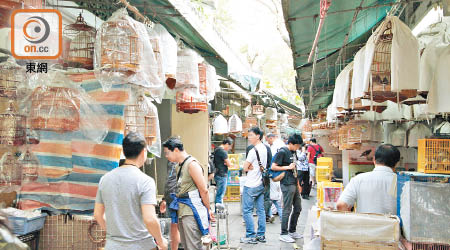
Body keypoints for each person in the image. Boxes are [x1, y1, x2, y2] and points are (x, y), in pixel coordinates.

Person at [94, 132, 168, 250]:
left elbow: (98, 214)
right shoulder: (145, 181)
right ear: (144, 152)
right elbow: (149, 218)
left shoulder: (105, 179)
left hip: (113, 246)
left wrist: (115, 235)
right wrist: (161, 241)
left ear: (123, 152)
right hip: (141, 246)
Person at [163, 137, 214, 250]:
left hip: (192, 211)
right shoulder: (178, 166)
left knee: (193, 246)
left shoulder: (192, 164)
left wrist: (208, 209)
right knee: (187, 246)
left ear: (176, 150)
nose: (166, 156)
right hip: (182, 211)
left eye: (167, 153)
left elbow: (204, 190)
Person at [337, 144, 400, 215]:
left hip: (363, 225)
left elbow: (341, 205)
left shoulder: (358, 179)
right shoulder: (400, 182)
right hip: (391, 226)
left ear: (374, 159)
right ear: (397, 163)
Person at [271, 134, 303, 243]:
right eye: (297, 145)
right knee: (287, 209)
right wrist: (287, 167)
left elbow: (295, 168)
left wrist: (298, 184)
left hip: (294, 182)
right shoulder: (282, 152)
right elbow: (273, 166)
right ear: (291, 143)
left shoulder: (293, 152)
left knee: (298, 208)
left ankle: (292, 230)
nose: (298, 148)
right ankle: (283, 233)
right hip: (286, 183)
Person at [241, 127, 268, 244]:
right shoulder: (265, 148)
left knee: (247, 210)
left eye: (251, 135)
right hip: (261, 183)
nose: (249, 137)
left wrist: (249, 166)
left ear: (258, 136)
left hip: (251, 184)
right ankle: (261, 235)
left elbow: (245, 168)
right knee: (261, 210)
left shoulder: (253, 151)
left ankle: (250, 235)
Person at [163, 161, 180, 250]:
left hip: (176, 199)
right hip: (170, 198)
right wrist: (164, 199)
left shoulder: (180, 163)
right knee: (173, 227)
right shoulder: (170, 163)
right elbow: (168, 182)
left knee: (175, 227)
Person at [213, 138, 233, 209]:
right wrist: (227, 163)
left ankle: (218, 210)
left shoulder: (216, 149)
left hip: (217, 174)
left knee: (219, 194)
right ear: (227, 144)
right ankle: (219, 211)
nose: (230, 148)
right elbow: (229, 164)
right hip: (222, 174)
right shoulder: (222, 151)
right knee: (220, 194)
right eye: (230, 146)